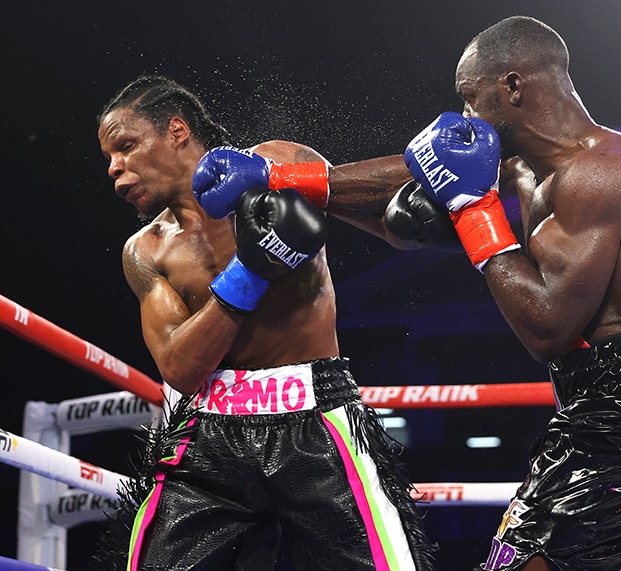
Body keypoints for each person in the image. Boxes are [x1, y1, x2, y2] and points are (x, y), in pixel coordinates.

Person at [399, 15, 621, 571]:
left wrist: (475, 212)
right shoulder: (523, 168)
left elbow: (547, 327)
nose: (466, 119)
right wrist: (294, 182)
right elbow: (413, 171)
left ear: (512, 86)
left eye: (472, 99)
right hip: (614, 412)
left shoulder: (603, 170)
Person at [92, 75, 436, 571]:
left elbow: (407, 204)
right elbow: (181, 368)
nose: (115, 169)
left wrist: (287, 183)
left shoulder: (278, 162)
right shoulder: (146, 250)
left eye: (125, 146)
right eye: (109, 158)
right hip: (206, 433)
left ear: (176, 130)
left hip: (314, 418)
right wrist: (250, 269)